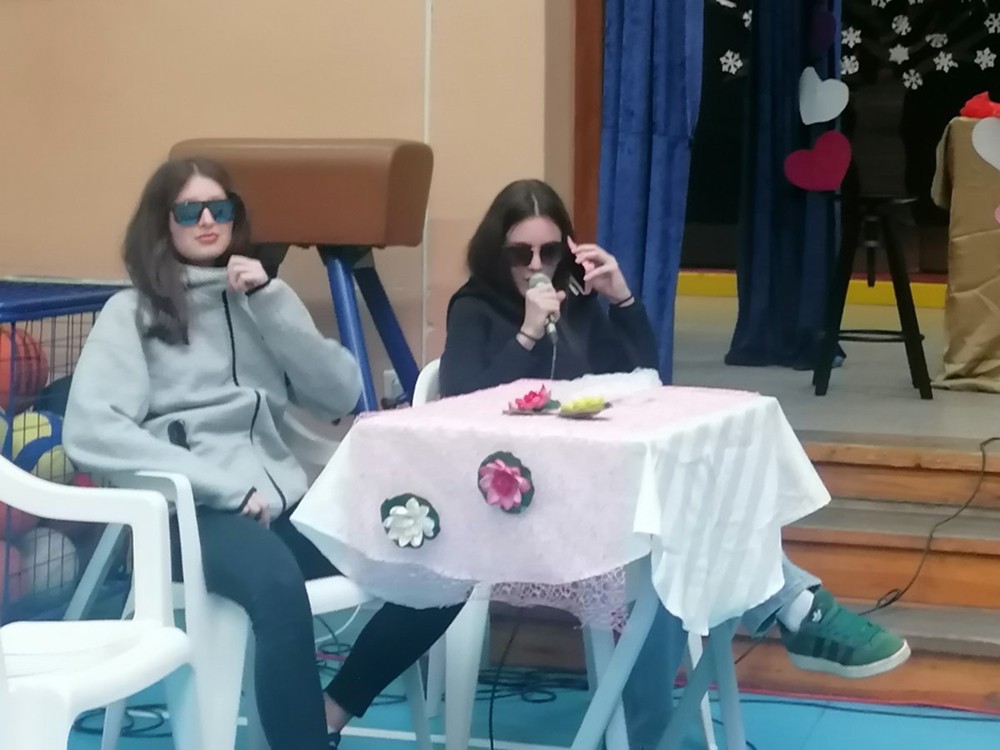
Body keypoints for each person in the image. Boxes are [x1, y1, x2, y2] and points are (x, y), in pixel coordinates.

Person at [438, 178, 911, 746]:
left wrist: (622, 301)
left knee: (679, 518)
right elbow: (460, 407)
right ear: (497, 251)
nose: (536, 266)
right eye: (521, 254)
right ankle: (796, 606)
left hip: (594, 477)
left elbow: (641, 377)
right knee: (668, 529)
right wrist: (526, 333)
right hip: (520, 498)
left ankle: (676, 706)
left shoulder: (575, 301)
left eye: (550, 251)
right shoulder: (476, 307)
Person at [63, 158, 459, 750]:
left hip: (281, 509)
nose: (206, 221)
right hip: (190, 519)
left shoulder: (260, 299)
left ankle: (330, 713)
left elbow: (339, 393)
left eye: (219, 209)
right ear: (162, 223)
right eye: (188, 211)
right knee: (277, 586)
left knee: (442, 566)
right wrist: (220, 486)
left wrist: (272, 300)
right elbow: (92, 430)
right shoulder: (133, 313)